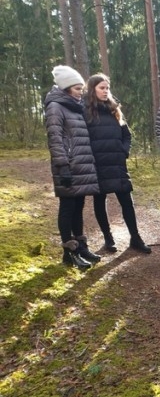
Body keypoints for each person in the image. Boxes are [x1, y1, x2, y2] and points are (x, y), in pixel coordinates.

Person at [84, 73, 151, 254]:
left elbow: (126, 135)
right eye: (101, 88)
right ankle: (108, 238)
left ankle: (135, 238)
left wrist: (124, 151)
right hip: (98, 164)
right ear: (92, 90)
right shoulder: (86, 111)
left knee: (127, 201)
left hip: (117, 163)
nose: (106, 91)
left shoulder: (114, 110)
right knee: (99, 201)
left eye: (107, 88)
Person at [45, 65, 101, 269]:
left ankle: (81, 247)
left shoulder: (75, 107)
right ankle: (69, 252)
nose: (81, 93)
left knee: (78, 207)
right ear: (67, 88)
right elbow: (55, 137)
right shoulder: (55, 106)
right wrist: (63, 166)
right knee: (67, 208)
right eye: (78, 89)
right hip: (67, 167)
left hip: (81, 166)